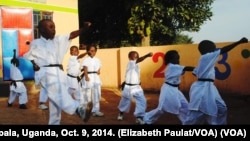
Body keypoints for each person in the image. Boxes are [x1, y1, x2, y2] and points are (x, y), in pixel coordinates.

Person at [23, 19, 92, 125]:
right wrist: (34, 64)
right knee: (59, 94)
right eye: (50, 27)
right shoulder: (35, 43)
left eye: (54, 27)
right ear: (42, 29)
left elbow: (71, 35)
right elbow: (30, 55)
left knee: (55, 102)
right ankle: (78, 109)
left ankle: (54, 123)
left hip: (58, 72)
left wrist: (84, 29)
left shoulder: (58, 39)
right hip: (45, 72)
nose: (54, 30)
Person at [184, 37, 248, 125]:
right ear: (207, 49)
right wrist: (239, 42)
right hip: (202, 88)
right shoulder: (206, 57)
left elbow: (195, 72)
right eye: (213, 47)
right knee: (196, 114)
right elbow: (223, 50)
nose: (215, 49)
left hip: (210, 87)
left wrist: (191, 70)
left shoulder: (205, 61)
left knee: (221, 108)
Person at [143, 50, 195, 124]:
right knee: (161, 109)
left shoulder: (175, 67)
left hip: (175, 90)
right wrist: (198, 69)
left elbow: (182, 70)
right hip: (168, 90)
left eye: (178, 58)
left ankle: (187, 122)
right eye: (176, 58)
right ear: (170, 60)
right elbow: (186, 68)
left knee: (185, 106)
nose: (178, 60)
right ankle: (145, 119)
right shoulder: (171, 66)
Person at [117, 51, 153, 124]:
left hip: (136, 87)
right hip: (128, 87)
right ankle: (121, 113)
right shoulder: (130, 63)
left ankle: (139, 117)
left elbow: (133, 76)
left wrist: (138, 82)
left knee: (142, 101)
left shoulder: (137, 65)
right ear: (129, 57)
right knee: (125, 101)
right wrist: (147, 55)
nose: (136, 58)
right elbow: (139, 60)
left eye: (137, 56)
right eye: (134, 56)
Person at [81, 44, 103, 117]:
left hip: (96, 78)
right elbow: (85, 68)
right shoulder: (86, 59)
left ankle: (96, 110)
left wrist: (99, 71)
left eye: (94, 51)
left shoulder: (98, 59)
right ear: (88, 51)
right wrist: (86, 76)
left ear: (96, 51)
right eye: (91, 50)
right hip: (89, 77)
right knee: (87, 94)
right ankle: (85, 109)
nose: (92, 52)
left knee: (96, 94)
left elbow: (99, 67)